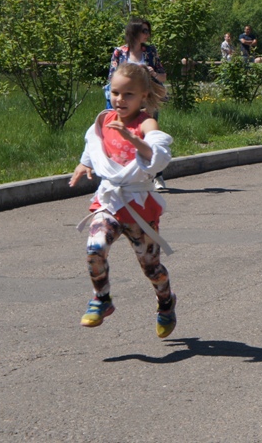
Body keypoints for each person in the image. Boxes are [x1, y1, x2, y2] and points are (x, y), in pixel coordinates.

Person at [69, 63, 176, 337]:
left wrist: (133, 138)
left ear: (143, 96)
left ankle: (165, 303)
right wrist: (84, 164)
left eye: (128, 94)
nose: (120, 99)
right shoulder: (105, 119)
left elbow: (158, 155)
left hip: (139, 205)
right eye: (115, 92)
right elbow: (94, 142)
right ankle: (101, 298)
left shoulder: (146, 123)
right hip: (110, 201)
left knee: (151, 269)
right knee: (95, 248)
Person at [108, 18, 168, 189]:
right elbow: (111, 78)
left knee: (148, 136)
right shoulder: (120, 52)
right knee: (125, 135)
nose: (147, 35)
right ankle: (127, 174)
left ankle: (156, 175)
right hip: (126, 101)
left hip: (146, 100)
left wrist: (153, 73)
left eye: (148, 31)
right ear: (133, 31)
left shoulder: (150, 52)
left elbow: (163, 76)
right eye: (144, 31)